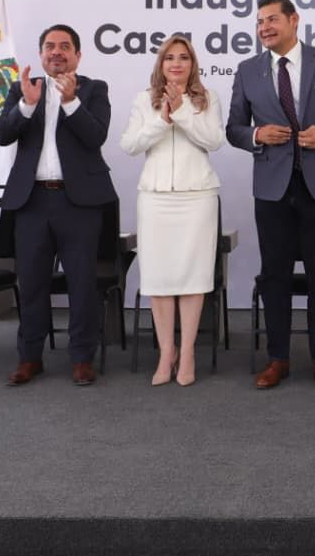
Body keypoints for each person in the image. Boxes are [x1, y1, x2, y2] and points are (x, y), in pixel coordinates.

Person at [226, 0, 315, 391]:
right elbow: (234, 128)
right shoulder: (248, 70)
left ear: (294, 20)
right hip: (272, 190)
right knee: (275, 276)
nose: (264, 28)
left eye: (272, 19)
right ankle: (278, 359)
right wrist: (257, 134)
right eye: (259, 22)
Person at [0, 24, 117, 387]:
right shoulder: (22, 89)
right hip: (31, 201)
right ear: (41, 54)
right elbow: (1, 135)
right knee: (31, 283)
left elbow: (96, 136)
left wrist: (70, 101)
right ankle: (29, 357)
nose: (57, 52)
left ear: (78, 55)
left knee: (82, 283)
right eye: (50, 46)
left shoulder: (94, 89)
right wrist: (27, 105)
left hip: (78, 202)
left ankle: (82, 358)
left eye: (65, 46)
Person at [119, 35, 224, 387]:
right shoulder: (143, 100)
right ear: (160, 64)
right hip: (156, 198)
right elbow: (130, 145)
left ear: (192, 64)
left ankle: (188, 352)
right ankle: (167, 352)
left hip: (198, 197)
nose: (176, 63)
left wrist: (181, 111)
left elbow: (213, 140)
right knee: (159, 279)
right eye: (169, 58)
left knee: (194, 278)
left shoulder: (208, 98)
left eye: (183, 57)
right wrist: (162, 120)